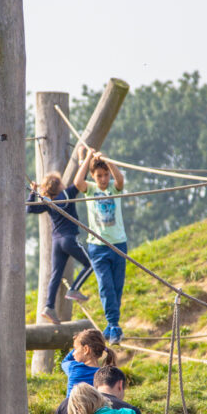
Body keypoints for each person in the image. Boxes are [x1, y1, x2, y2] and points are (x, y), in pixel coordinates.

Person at [73, 146, 128, 345]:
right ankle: (113, 324)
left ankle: (112, 324)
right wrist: (87, 157)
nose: (103, 179)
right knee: (105, 286)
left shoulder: (114, 188)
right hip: (98, 246)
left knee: (117, 286)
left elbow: (119, 179)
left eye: (105, 175)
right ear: (93, 177)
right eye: (99, 176)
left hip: (118, 244)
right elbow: (77, 181)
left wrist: (107, 159)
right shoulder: (91, 189)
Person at [27, 172, 93, 325]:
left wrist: (32, 192)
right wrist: (85, 160)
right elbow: (81, 181)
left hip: (57, 242)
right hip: (69, 239)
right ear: (59, 185)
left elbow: (30, 209)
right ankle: (74, 289)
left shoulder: (48, 202)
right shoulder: (67, 194)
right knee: (91, 264)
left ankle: (49, 306)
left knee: (55, 275)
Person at [61, 329, 117, 397]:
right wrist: (82, 340)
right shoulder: (106, 375)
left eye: (75, 349)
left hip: (72, 407)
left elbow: (65, 361)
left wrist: (81, 339)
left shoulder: (74, 368)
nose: (73, 354)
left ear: (86, 349)